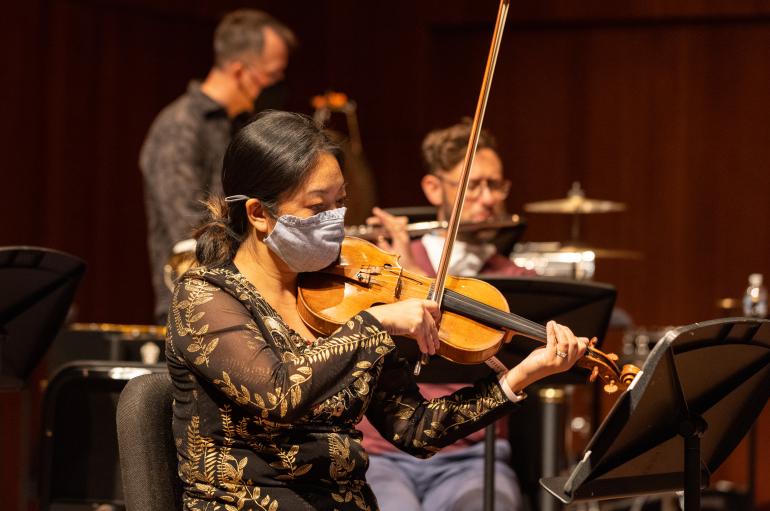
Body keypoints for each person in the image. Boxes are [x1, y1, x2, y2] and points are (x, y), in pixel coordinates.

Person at [165, 110, 587, 510]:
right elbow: (280, 394)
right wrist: (377, 322)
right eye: (318, 207)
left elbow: (415, 428)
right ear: (259, 214)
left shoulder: (336, 299)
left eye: (340, 202)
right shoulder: (204, 297)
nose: (336, 220)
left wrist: (518, 377)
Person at [360, 121, 532, 511]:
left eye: (496, 186)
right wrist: (401, 273)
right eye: (473, 186)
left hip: (471, 457)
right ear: (433, 188)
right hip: (384, 453)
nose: (488, 199)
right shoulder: (391, 262)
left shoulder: (515, 280)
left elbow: (511, 364)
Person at [140, 9, 296, 322]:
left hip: (244, 297)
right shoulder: (180, 126)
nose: (277, 84)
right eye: (272, 75)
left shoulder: (242, 127)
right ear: (240, 71)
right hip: (194, 304)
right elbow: (188, 228)